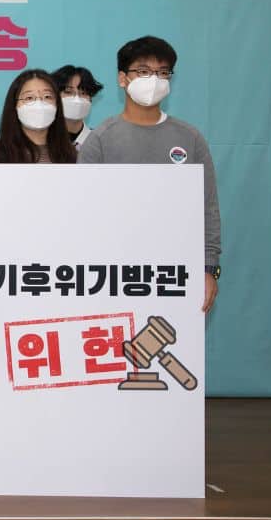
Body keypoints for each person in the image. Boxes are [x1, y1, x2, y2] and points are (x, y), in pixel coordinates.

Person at [79, 36, 221, 313]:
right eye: (143, 72)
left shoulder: (189, 138)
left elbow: (208, 208)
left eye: (162, 72)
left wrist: (209, 268)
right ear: (123, 78)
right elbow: (83, 211)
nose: (153, 79)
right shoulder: (100, 140)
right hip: (112, 273)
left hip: (176, 273)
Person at [0, 69, 77, 165]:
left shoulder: (72, 156)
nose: (39, 104)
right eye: (29, 98)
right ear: (14, 105)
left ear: (57, 105)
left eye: (47, 97)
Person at [50, 65, 104, 150]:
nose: (77, 99)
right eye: (68, 92)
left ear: (90, 99)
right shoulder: (39, 141)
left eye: (83, 93)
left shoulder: (101, 143)